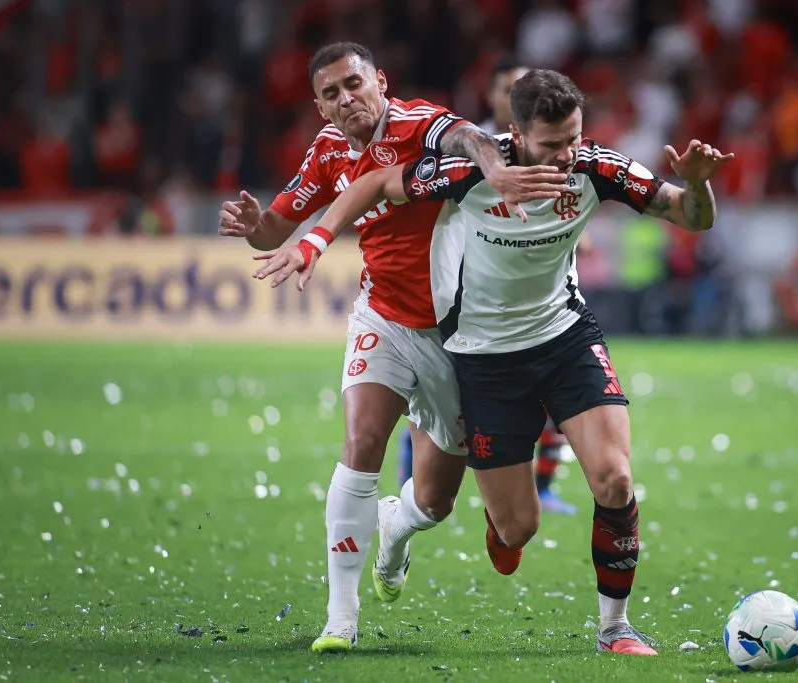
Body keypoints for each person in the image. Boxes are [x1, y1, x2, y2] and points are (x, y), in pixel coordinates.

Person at [253, 69, 733, 656]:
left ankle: (615, 628)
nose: (565, 155)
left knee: (615, 478)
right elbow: (377, 183)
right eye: (552, 144)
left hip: (565, 338)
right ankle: (447, 521)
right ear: (516, 135)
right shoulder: (471, 174)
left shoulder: (598, 168)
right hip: (484, 358)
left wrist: (700, 186)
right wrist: (317, 238)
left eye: (574, 139)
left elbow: (690, 215)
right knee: (516, 531)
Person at [218, 43, 567, 653]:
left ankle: (395, 531)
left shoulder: (420, 124)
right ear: (320, 106)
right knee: (362, 443)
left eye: (354, 84)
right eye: (331, 93)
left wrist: (491, 164)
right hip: (381, 318)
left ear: (380, 80)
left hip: (458, 339)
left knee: (432, 501)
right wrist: (252, 223)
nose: (346, 99)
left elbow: (469, 138)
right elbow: (276, 224)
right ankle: (340, 619)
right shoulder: (326, 153)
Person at [399, 53, 579, 516]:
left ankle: (544, 487)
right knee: (443, 398)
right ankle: (414, 480)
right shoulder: (468, 147)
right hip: (473, 303)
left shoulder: (557, 148)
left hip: (545, 288)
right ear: (496, 97)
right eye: (507, 89)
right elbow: (412, 195)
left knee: (558, 394)